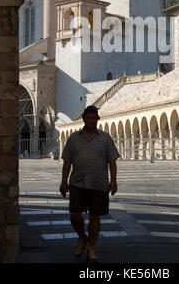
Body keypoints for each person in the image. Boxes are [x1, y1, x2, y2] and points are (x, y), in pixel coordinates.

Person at [59, 105, 120, 262]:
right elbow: (67, 161)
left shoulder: (105, 138)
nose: (92, 121)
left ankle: (91, 248)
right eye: (89, 118)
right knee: (74, 214)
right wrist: (63, 181)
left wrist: (113, 180)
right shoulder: (73, 138)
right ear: (84, 119)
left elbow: (112, 161)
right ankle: (82, 236)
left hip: (98, 182)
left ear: (97, 120)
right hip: (77, 182)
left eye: (94, 118)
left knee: (95, 216)